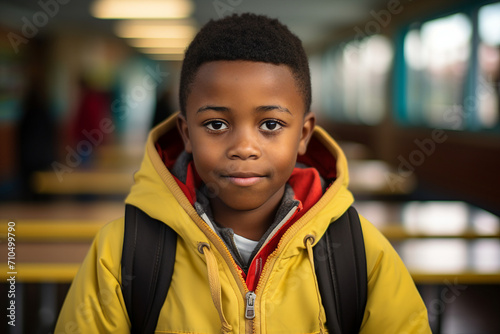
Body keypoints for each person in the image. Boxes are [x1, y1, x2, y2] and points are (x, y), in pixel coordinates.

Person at [55, 13, 430, 333]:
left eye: (270, 124)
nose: (244, 147)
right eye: (216, 125)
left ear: (303, 135)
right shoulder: (121, 251)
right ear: (186, 133)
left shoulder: (361, 252)